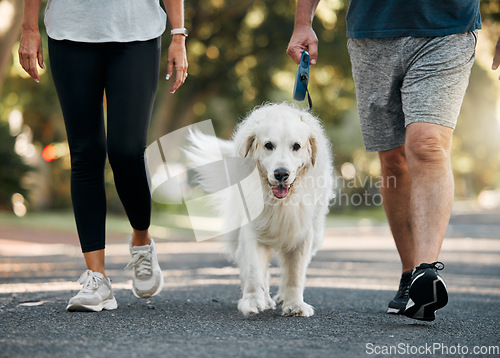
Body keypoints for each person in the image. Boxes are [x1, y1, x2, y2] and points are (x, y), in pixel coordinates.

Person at [287, 1, 498, 321]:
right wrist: (304, 21)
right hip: (372, 33)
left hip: (447, 29)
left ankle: (425, 274)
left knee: (427, 144)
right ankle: (409, 272)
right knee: (393, 158)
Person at [18, 0, 188, 312]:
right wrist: (29, 28)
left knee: (126, 151)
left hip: (137, 28)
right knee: (85, 153)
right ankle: (97, 279)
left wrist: (178, 35)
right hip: (70, 30)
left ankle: (141, 241)